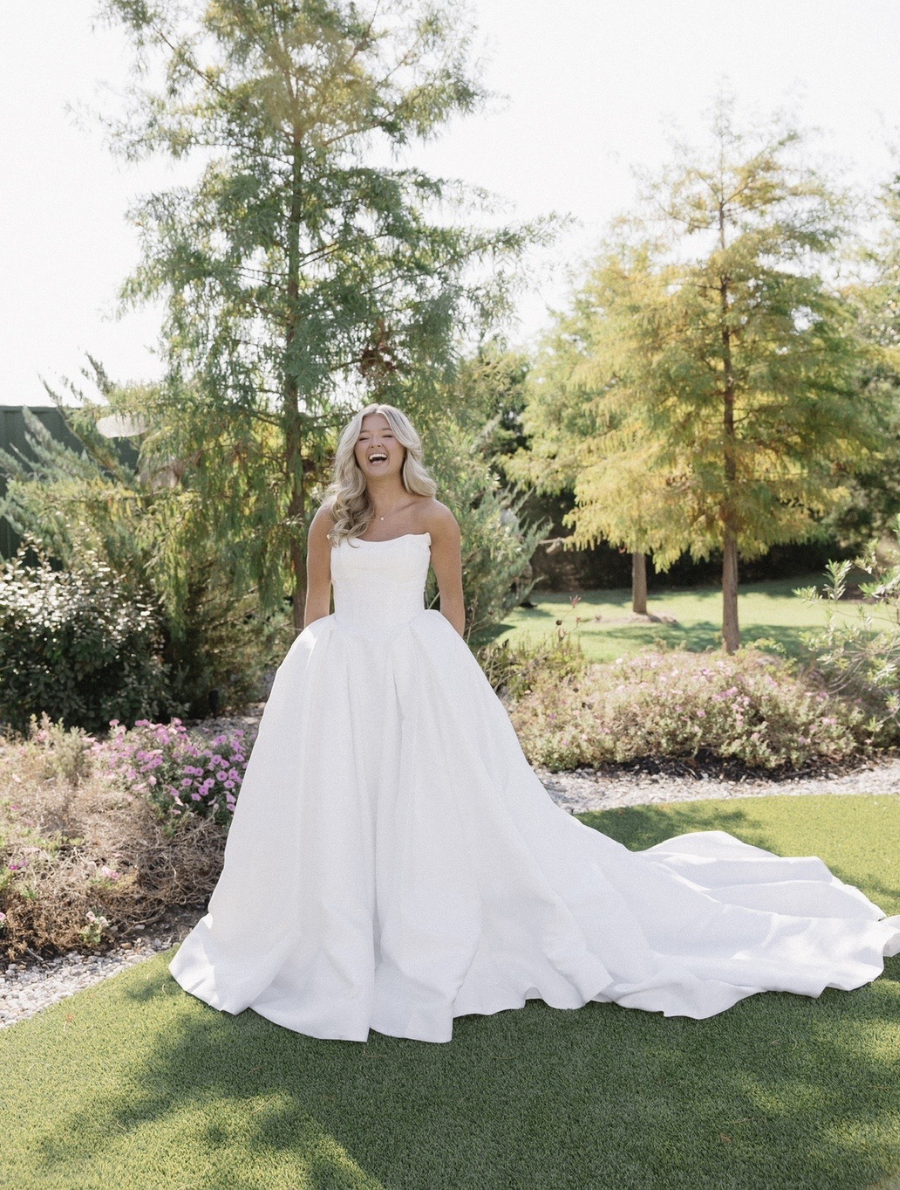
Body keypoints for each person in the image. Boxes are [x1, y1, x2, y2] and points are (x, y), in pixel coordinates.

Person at [169, 403, 900, 1044]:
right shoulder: (332, 518)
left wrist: (440, 679)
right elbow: (315, 605)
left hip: (418, 670)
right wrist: (317, 676)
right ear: (353, 452)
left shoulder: (433, 516)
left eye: (388, 431)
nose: (377, 441)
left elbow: (452, 604)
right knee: (346, 802)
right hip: (342, 677)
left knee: (431, 803)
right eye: (365, 434)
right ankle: (340, 931)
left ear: (406, 447)